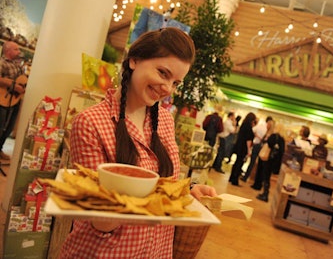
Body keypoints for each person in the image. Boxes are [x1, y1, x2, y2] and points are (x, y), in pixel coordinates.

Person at [60, 28, 218, 258]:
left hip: (157, 252)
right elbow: (100, 220)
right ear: (134, 60)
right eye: (163, 73)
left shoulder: (164, 119)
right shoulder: (90, 122)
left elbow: (164, 182)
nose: (167, 89)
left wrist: (189, 193)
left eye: (176, 83)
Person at [0, 41, 26, 160]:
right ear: (8, 51)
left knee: (9, 127)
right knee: (0, 126)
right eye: (16, 49)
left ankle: (0, 148)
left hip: (15, 99)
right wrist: (13, 85)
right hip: (3, 99)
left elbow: (22, 80)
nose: (19, 52)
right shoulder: (2, 63)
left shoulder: (18, 65)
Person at [253, 122, 285, 200]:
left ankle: (265, 194)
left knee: (266, 176)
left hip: (269, 159)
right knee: (268, 177)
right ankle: (265, 193)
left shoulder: (274, 136)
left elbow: (269, 144)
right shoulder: (282, 139)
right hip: (276, 161)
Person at [241, 116, 273, 182]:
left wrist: (257, 136)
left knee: (252, 162)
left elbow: (253, 131)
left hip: (258, 146)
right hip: (261, 148)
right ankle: (249, 177)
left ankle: (246, 177)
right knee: (255, 163)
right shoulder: (267, 131)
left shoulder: (264, 129)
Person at [228, 112, 257, 186]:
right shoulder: (249, 127)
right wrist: (249, 151)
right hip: (243, 148)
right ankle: (235, 180)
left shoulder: (244, 125)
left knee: (236, 162)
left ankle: (231, 178)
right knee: (239, 163)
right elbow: (248, 140)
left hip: (238, 146)